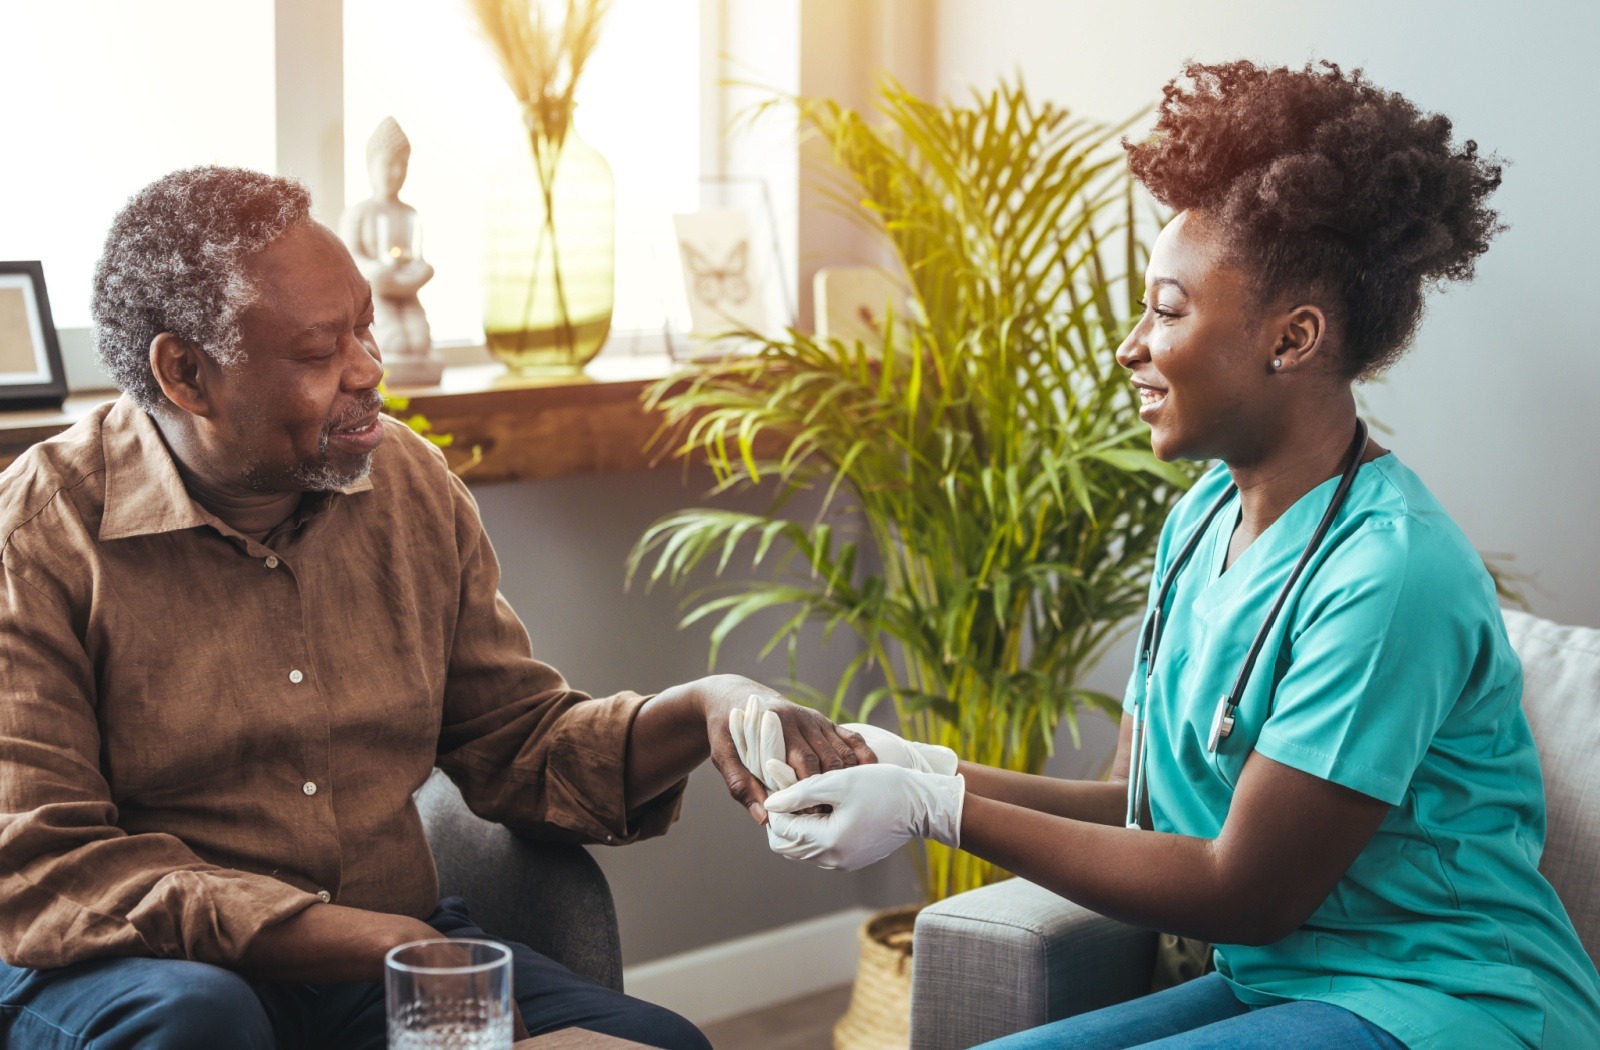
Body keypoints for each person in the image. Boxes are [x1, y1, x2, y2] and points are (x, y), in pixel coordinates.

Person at [754, 61, 1600, 1049]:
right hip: (1282, 987)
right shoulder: (1202, 518)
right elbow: (1132, 804)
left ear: (1292, 339)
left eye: (1166, 309)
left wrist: (936, 811)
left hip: (1449, 1003)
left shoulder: (1391, 576)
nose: (1129, 346)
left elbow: (1245, 891)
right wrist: (922, 765)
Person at [0, 165, 873, 1049]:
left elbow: (517, 743)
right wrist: (368, 937)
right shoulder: (39, 534)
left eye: (366, 328)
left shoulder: (407, 483)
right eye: (317, 353)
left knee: (663, 1043)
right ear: (185, 373)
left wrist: (705, 707)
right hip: (134, 972)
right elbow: (48, 863)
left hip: (385, 954)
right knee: (203, 1023)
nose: (369, 370)